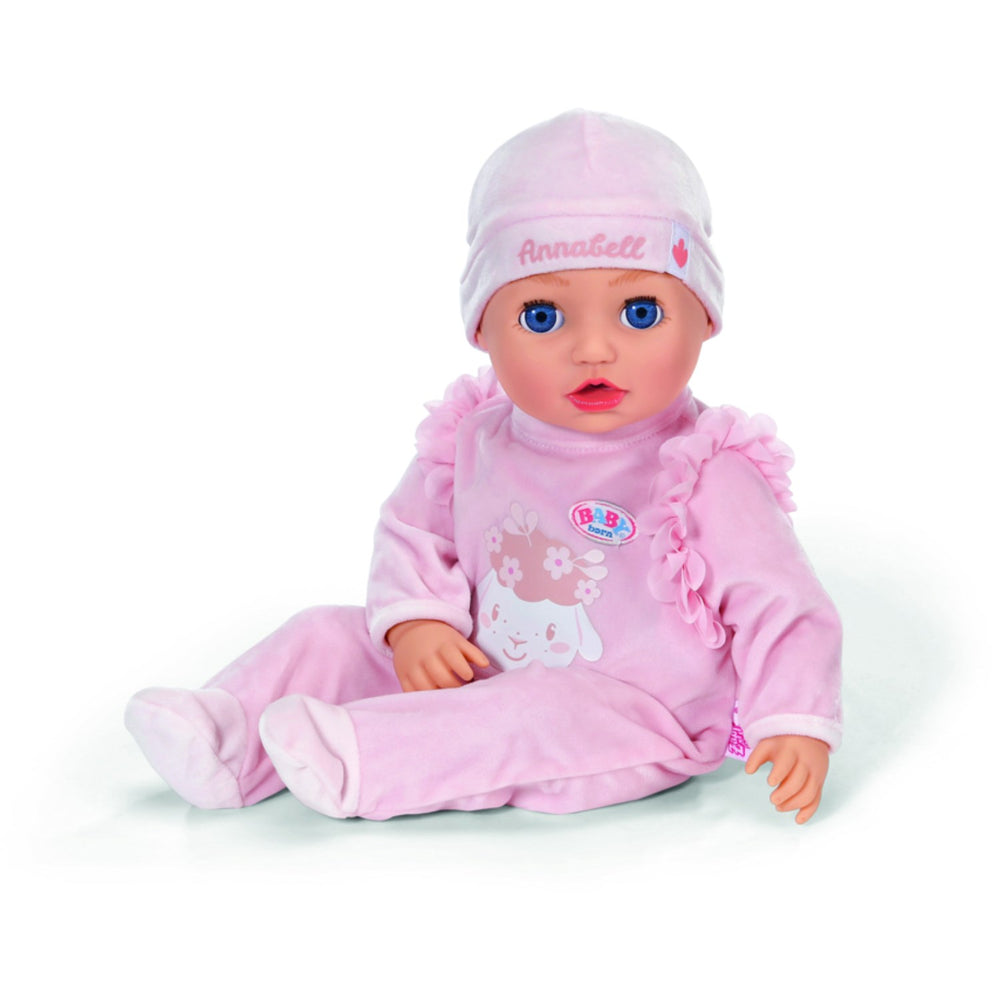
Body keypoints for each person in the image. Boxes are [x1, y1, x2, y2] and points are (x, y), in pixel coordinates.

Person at [126, 110, 842, 825]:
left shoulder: (704, 471)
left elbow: (784, 605)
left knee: (529, 713)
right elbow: (412, 532)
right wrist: (417, 625)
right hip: (477, 662)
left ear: (704, 317)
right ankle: (226, 737)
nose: (594, 349)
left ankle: (363, 759)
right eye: (542, 317)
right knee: (327, 632)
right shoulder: (473, 440)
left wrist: (794, 722)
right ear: (482, 329)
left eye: (640, 312)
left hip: (631, 714)